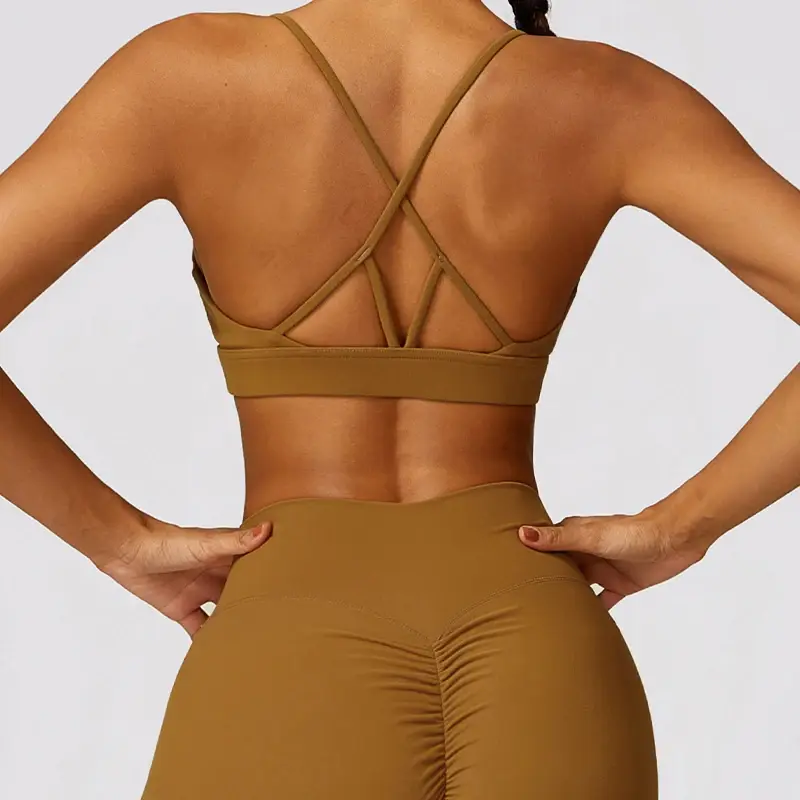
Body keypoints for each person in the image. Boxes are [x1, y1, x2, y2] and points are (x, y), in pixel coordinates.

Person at [0, 0, 797, 797]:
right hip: (540, 646)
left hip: (289, 642)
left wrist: (121, 541)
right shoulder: (604, 93)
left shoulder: (190, 74)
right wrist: (684, 526)